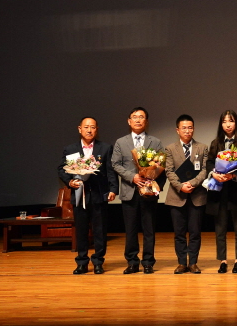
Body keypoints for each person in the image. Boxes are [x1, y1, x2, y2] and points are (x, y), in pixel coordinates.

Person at [58, 117, 119, 275]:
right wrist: (70, 182)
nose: (89, 130)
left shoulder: (105, 148)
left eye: (92, 127)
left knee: (100, 231)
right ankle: (82, 262)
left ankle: (98, 262)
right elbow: (62, 169)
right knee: (81, 231)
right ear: (79, 129)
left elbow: (110, 170)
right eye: (86, 127)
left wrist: (113, 189)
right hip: (79, 196)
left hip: (99, 194)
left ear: (97, 129)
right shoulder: (70, 149)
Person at [112, 107, 166, 274]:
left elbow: (161, 164)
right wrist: (133, 177)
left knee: (149, 229)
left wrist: (152, 179)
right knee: (131, 229)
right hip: (129, 191)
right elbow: (115, 164)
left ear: (146, 121)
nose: (138, 120)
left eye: (141, 117)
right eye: (134, 117)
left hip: (149, 191)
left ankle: (148, 262)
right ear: (129, 121)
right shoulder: (121, 142)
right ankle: (132, 262)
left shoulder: (155, 142)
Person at [206, 110, 237, 274]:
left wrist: (232, 175)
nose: (228, 125)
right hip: (219, 191)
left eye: (231, 121)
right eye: (224, 121)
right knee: (220, 228)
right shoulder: (215, 143)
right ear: (221, 124)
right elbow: (209, 162)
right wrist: (214, 174)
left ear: (236, 123)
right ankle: (223, 260)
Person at [164, 114, 209, 274]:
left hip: (197, 196)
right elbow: (169, 171)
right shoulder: (170, 149)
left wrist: (193, 183)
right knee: (179, 233)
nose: (187, 131)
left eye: (190, 127)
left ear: (193, 129)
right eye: (184, 128)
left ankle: (193, 263)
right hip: (177, 196)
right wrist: (180, 186)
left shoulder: (202, 147)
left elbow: (205, 169)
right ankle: (182, 263)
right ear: (177, 130)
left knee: (195, 232)